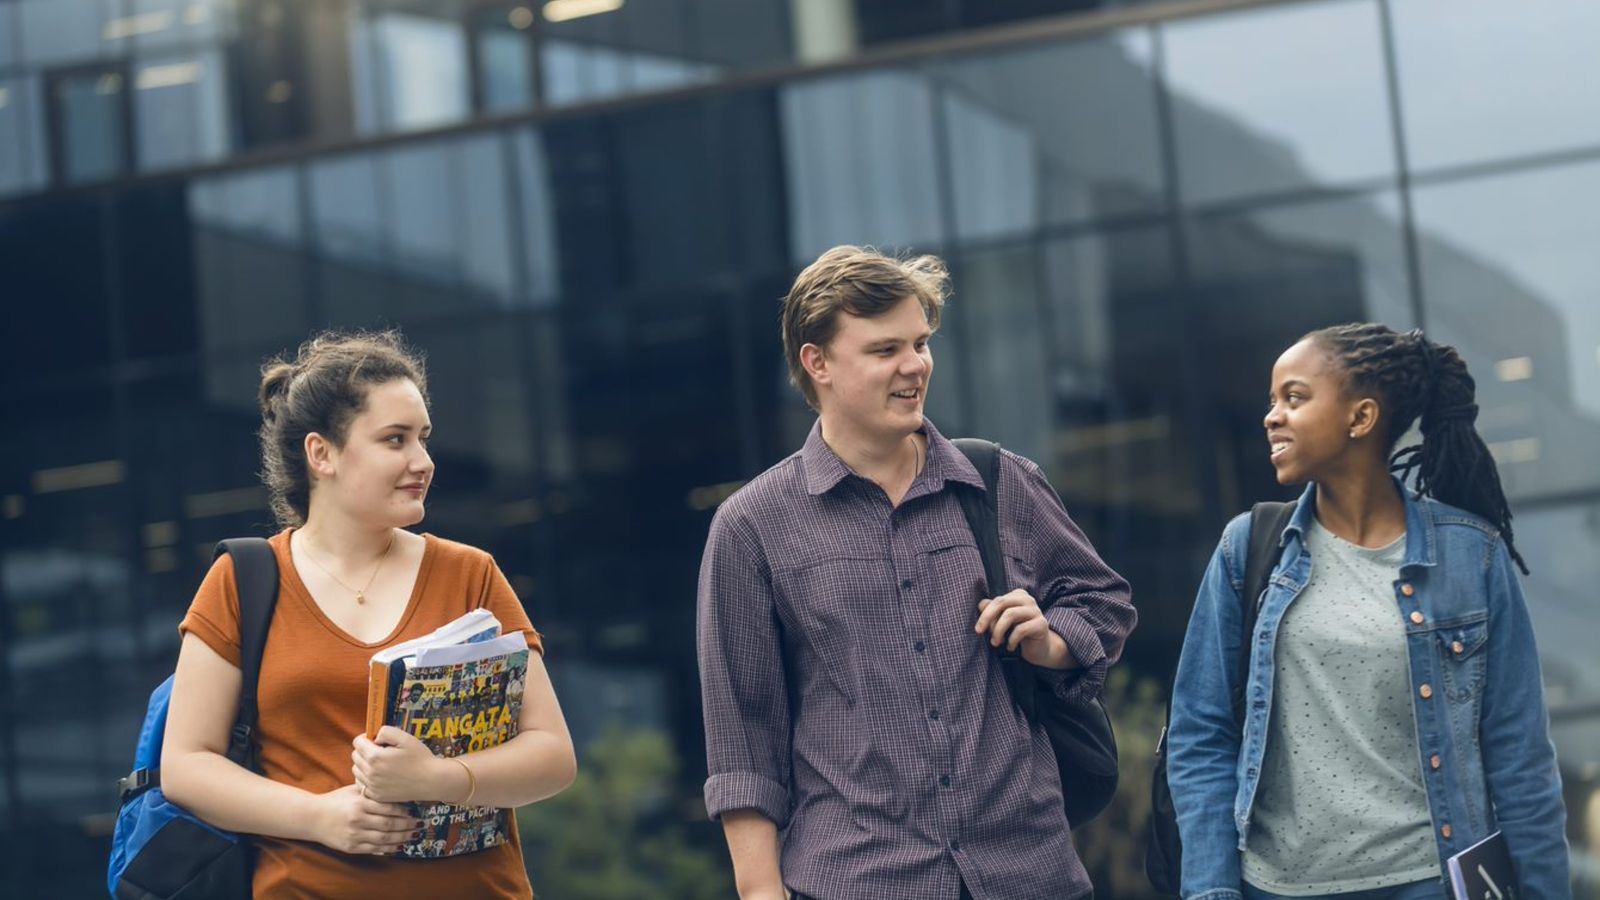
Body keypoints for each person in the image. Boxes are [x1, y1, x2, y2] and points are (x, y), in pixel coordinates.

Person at [697, 245, 1137, 900]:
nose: (914, 367)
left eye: (920, 344)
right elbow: (743, 737)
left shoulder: (999, 481)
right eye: (884, 351)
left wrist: (1052, 639)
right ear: (817, 363)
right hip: (858, 878)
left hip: (1028, 873)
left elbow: (1104, 599)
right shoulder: (751, 526)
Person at [161, 330, 577, 898]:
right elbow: (186, 765)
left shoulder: (470, 574)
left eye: (424, 439)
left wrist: (439, 779)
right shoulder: (244, 581)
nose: (423, 461)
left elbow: (553, 755)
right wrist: (319, 817)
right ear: (321, 453)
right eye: (395, 440)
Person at [1167, 323, 1570, 899]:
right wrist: (1211, 890)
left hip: (1430, 881)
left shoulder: (1471, 556)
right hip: (1277, 888)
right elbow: (1200, 733)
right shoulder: (1248, 548)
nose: (1272, 416)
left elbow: (1519, 756)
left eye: (1295, 398)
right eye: (1273, 401)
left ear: (1361, 418)